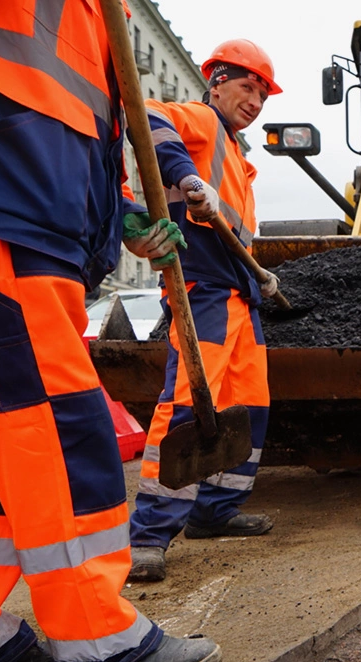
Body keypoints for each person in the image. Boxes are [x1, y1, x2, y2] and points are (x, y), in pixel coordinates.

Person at [0, 1, 220, 662]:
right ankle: (95, 627)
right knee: (59, 422)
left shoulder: (91, 17)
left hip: (25, 219)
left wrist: (118, 213)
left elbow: (68, 124)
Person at [127, 39, 282, 582]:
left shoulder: (239, 158)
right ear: (216, 81)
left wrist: (260, 275)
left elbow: (235, 229)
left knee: (250, 404)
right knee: (191, 402)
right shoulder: (200, 121)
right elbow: (146, 114)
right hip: (205, 289)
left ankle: (215, 511)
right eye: (248, 87)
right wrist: (186, 177)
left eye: (263, 93)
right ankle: (149, 533)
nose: (256, 101)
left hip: (240, 292)